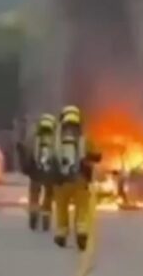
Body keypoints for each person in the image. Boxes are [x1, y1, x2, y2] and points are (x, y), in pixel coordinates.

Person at [52, 105, 102, 250]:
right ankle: (81, 232)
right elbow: (97, 155)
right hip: (80, 179)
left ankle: (61, 234)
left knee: (61, 208)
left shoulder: (56, 140)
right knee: (82, 208)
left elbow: (51, 158)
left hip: (60, 181)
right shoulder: (85, 138)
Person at [26, 114, 58, 231]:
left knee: (34, 193)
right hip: (50, 173)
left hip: (36, 171)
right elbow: (57, 156)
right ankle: (46, 218)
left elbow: (29, 153)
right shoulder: (55, 139)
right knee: (48, 195)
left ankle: (34, 213)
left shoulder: (35, 138)